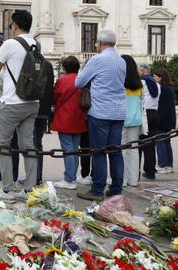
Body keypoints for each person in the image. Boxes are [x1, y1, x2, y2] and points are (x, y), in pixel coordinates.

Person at [0, 10, 40, 201]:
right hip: (32, 102)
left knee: (2, 144)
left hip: (12, 102)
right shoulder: (36, 43)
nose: (10, 28)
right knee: (28, 145)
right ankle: (29, 190)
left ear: (15, 25)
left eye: (11, 25)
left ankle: (8, 189)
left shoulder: (10, 44)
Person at [75, 30, 126, 200]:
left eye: (96, 43)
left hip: (100, 112)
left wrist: (84, 70)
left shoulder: (97, 59)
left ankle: (97, 190)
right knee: (115, 151)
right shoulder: (121, 61)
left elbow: (79, 83)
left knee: (98, 152)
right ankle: (116, 189)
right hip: (118, 112)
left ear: (100, 43)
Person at [51, 56, 87, 190]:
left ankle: (69, 179)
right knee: (75, 149)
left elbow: (55, 97)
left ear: (64, 68)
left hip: (64, 117)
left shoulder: (62, 80)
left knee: (68, 149)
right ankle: (72, 176)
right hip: (79, 117)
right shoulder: (81, 80)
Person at [121, 55, 143, 187]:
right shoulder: (140, 84)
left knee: (121, 149)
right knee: (133, 149)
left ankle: (121, 179)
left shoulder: (120, 83)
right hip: (136, 119)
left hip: (122, 119)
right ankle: (133, 179)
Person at [138, 64, 160, 180]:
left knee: (139, 144)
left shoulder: (142, 82)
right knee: (151, 144)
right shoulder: (157, 84)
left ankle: (135, 172)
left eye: (139, 71)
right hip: (154, 113)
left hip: (144, 114)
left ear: (143, 71)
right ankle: (150, 171)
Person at [35, 60, 54, 186]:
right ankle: (37, 176)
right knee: (38, 143)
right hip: (44, 109)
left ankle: (34, 177)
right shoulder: (48, 65)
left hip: (32, 108)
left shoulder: (30, 63)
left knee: (32, 143)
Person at [154, 68, 176, 174]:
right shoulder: (170, 88)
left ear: (161, 77)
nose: (154, 78)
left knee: (160, 142)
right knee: (167, 142)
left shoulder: (160, 88)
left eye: (156, 77)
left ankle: (162, 165)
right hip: (169, 119)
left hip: (161, 118)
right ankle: (169, 165)